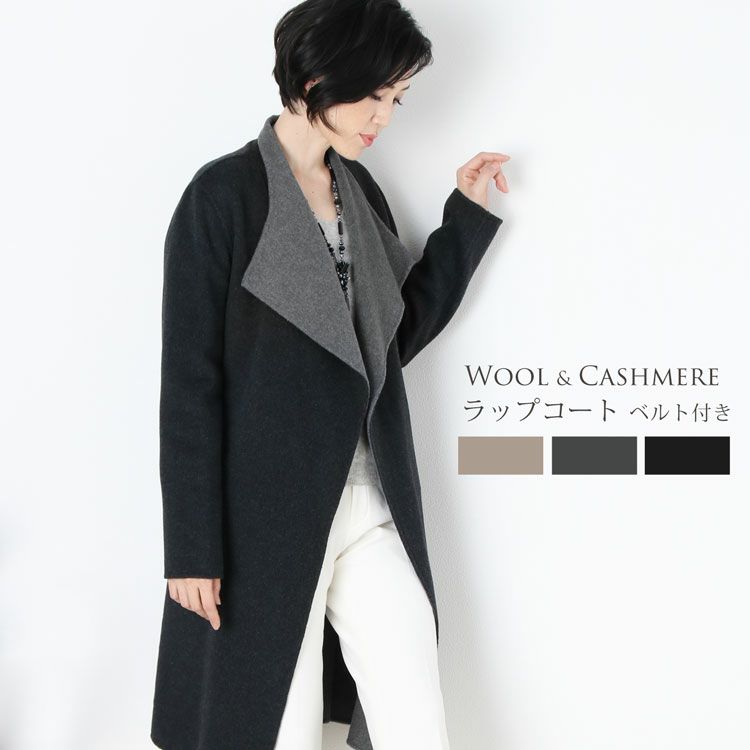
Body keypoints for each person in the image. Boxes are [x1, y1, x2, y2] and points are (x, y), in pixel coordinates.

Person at [150, 1, 509, 748]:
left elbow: (387, 341)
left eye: (397, 98)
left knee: (415, 721)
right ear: (316, 80)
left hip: (372, 499)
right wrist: (191, 548)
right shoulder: (222, 197)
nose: (385, 116)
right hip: (265, 518)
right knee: (278, 728)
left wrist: (465, 222)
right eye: (375, 93)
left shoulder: (360, 194)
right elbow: (189, 385)